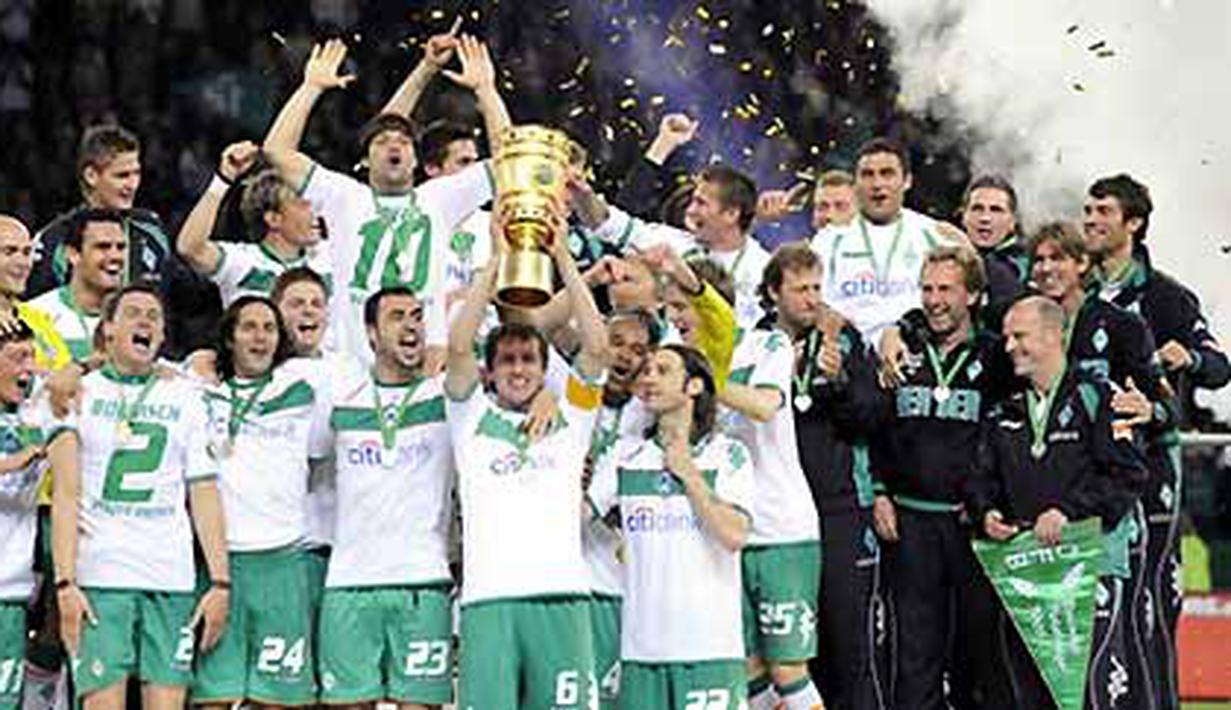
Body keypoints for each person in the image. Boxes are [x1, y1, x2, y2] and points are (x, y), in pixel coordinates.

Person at [262, 35, 510, 368]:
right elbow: (277, 150)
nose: (394, 146)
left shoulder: (439, 198)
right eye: (381, 141)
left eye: (404, 142)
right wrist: (310, 87)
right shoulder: (344, 196)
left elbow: (511, 161)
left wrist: (486, 91)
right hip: (354, 369)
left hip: (426, 365)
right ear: (365, 160)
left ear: (416, 161)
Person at [445, 217, 606, 709]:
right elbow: (456, 347)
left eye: (528, 360)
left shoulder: (573, 418)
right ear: (490, 372)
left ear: (543, 369)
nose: (518, 369)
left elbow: (597, 348)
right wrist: (494, 262)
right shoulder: (469, 418)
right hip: (488, 601)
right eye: (508, 361)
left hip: (563, 598)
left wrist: (562, 260)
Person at [1083, 174, 1230, 709]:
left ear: (1133, 223)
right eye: (1088, 210)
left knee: (1149, 613)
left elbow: (1220, 366)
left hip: (1151, 478)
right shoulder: (1072, 291)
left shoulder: (1165, 297)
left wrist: (1187, 357)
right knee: (1097, 615)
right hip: (1088, 478)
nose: (1091, 220)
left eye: (1103, 211)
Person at [48, 282, 230, 709]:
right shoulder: (76, 393)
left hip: (171, 577)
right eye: (133, 312)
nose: (146, 320)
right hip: (100, 578)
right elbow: (67, 495)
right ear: (107, 329)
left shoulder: (185, 395)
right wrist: (65, 582)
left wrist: (221, 580)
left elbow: (203, 490)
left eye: (154, 315)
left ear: (164, 336)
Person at [968, 296, 1149, 710]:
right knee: (1029, 694)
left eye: (1020, 336)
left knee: (1091, 693)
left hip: (1090, 570)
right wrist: (987, 513)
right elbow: (981, 477)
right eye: (1008, 336)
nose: (1009, 345)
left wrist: (1070, 512)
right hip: (1028, 573)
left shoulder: (1102, 397)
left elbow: (1128, 473)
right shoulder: (1004, 410)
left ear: (1053, 335)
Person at [871, 245, 1012, 709]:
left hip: (972, 528)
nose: (934, 300)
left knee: (979, 653)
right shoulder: (902, 350)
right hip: (910, 525)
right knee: (914, 656)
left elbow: (1008, 437)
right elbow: (878, 426)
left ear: (972, 295)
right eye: (927, 289)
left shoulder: (997, 357)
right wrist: (879, 491)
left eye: (946, 289)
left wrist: (989, 501)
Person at [760, 243, 890, 709]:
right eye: (800, 289)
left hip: (838, 508)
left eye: (817, 287)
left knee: (849, 645)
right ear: (774, 292)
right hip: (777, 515)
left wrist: (837, 386)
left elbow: (874, 416)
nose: (812, 299)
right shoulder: (756, 342)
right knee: (789, 651)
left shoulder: (847, 340)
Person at [589, 344, 754, 709]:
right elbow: (577, 518)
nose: (648, 378)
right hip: (640, 653)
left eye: (662, 370)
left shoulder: (727, 454)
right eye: (646, 370)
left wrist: (689, 475)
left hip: (709, 650)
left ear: (694, 386)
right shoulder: (624, 455)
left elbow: (734, 534)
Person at [316, 287, 457, 708]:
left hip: (422, 581)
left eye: (417, 315)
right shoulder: (339, 402)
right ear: (372, 334)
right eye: (397, 316)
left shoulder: (446, 399)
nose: (412, 324)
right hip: (348, 581)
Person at [190, 296, 330, 708]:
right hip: (218, 564)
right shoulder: (199, 394)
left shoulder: (305, 389)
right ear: (229, 338)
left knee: (281, 701)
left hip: (284, 565)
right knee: (212, 699)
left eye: (269, 327)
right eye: (249, 327)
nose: (260, 336)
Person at [717, 269, 822, 707]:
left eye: (686, 310)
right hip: (724, 535)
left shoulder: (767, 344)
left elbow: (763, 406)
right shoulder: (674, 359)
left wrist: (705, 382)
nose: (677, 320)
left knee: (787, 668)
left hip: (781, 530)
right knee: (744, 666)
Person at [28, 125, 219, 358]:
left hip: (148, 366)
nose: (132, 185)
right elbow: (31, 313)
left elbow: (182, 293)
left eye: (136, 174)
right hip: (76, 363)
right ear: (91, 176)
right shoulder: (53, 240)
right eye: (122, 175)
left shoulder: (152, 230)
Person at [810, 137, 963, 345]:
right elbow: (810, 304)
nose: (877, 184)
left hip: (919, 358)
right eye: (867, 175)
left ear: (907, 181)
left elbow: (958, 306)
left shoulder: (934, 235)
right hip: (846, 362)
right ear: (856, 184)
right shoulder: (828, 241)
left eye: (887, 174)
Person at [581, 163, 771, 330]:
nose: (690, 211)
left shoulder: (762, 268)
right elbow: (607, 224)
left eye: (701, 203)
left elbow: (741, 330)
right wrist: (583, 193)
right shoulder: (670, 240)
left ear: (731, 214)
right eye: (693, 201)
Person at [176, 142, 331, 308]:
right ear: (274, 219)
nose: (315, 212)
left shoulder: (329, 257)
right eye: (303, 205)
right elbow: (190, 248)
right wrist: (223, 180)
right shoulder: (242, 262)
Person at [0, 320, 51, 710]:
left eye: (32, 357)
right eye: (17, 357)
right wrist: (13, 462)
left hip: (10, 591)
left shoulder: (36, 414)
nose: (28, 369)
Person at [30, 209, 128, 361]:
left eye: (121, 247)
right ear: (73, 254)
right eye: (103, 247)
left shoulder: (139, 315)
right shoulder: (37, 315)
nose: (115, 256)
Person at [0, 215, 71, 371]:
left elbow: (62, 376)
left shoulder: (38, 319)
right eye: (9, 251)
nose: (23, 263)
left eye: (26, 252)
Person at [959, 175, 1028, 322]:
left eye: (996, 210)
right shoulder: (944, 260)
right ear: (963, 216)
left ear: (1012, 222)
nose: (985, 218)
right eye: (977, 209)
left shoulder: (1028, 265)